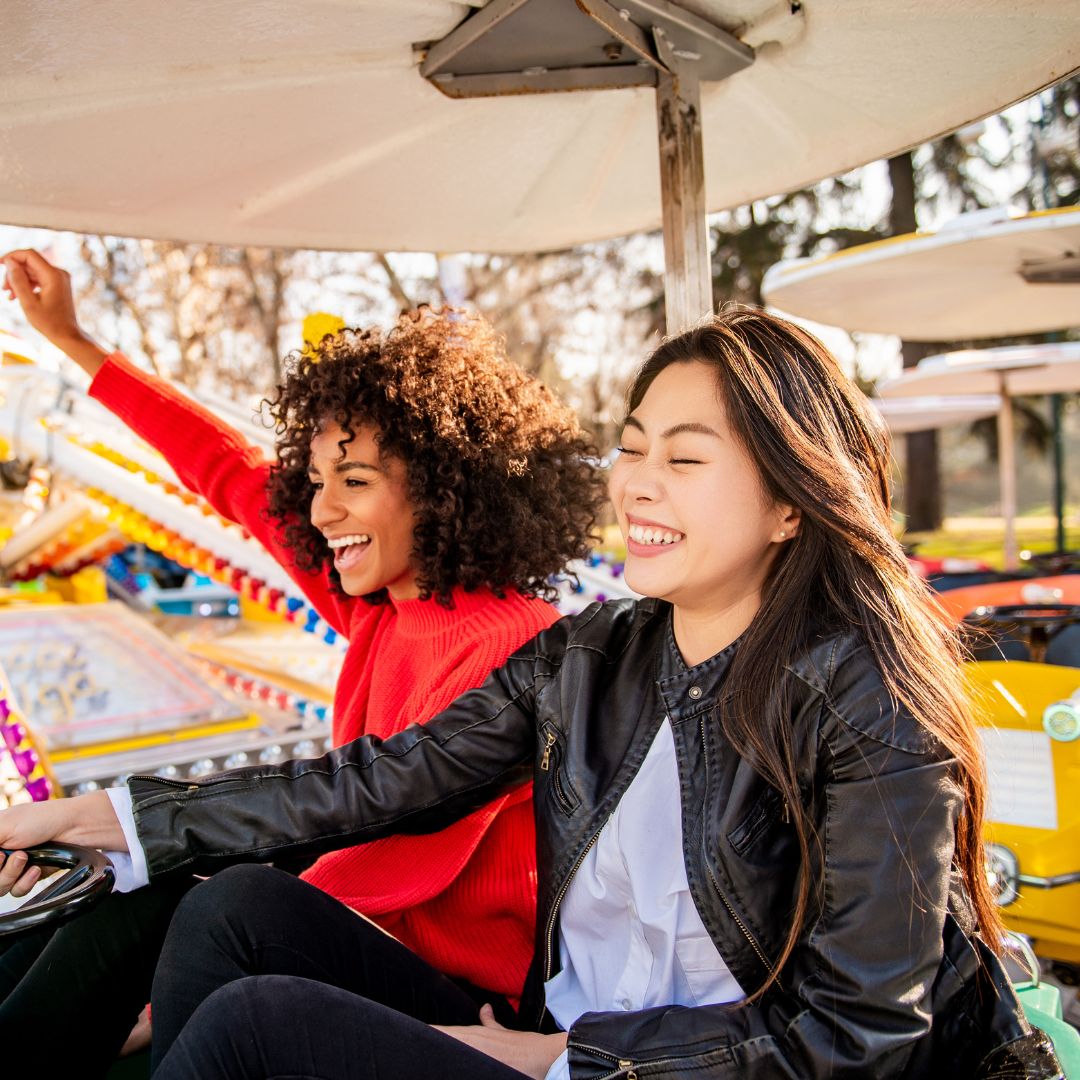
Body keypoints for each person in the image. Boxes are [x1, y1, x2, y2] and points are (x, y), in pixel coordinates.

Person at [0, 308, 1060, 1078]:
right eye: (632, 449)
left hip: (643, 1070)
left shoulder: (867, 700)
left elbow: (858, 1039)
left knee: (253, 1025)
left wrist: (557, 1056)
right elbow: (378, 782)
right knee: (228, 910)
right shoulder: (590, 656)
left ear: (793, 503)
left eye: (686, 460)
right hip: (554, 1039)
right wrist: (99, 820)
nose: (638, 482)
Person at [0, 250, 604, 1071]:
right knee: (143, 891)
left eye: (353, 480)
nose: (322, 509)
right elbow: (228, 473)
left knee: (206, 899)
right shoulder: (380, 608)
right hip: (365, 936)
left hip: (469, 1000)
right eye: (316, 481)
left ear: (442, 486)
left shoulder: (510, 641)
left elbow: (381, 843)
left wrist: (170, 934)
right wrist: (76, 343)